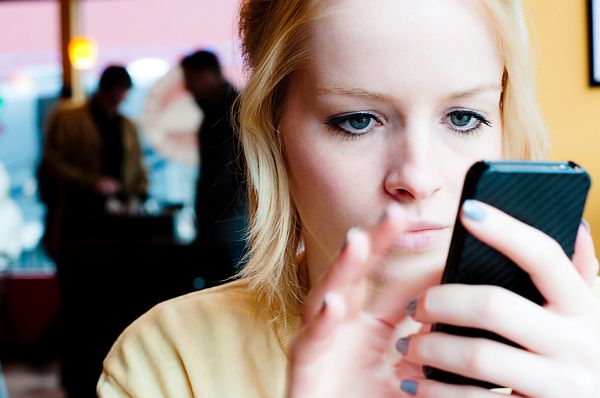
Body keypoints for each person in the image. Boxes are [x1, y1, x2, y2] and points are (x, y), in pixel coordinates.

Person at [97, 0, 600, 397]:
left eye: (464, 117)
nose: (418, 178)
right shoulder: (168, 361)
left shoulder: (585, 347)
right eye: (357, 120)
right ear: (274, 134)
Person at [38, 65, 148, 257]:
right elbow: (52, 162)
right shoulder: (68, 119)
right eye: (115, 98)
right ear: (105, 91)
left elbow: (138, 166)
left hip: (119, 216)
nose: (117, 104)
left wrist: (138, 196)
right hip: (78, 216)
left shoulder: (128, 126)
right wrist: (92, 182)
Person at [180, 50, 248, 276]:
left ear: (207, 75)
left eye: (189, 79)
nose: (187, 87)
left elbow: (226, 173)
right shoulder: (215, 110)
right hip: (222, 219)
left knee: (231, 284)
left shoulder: (235, 111)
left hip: (232, 219)